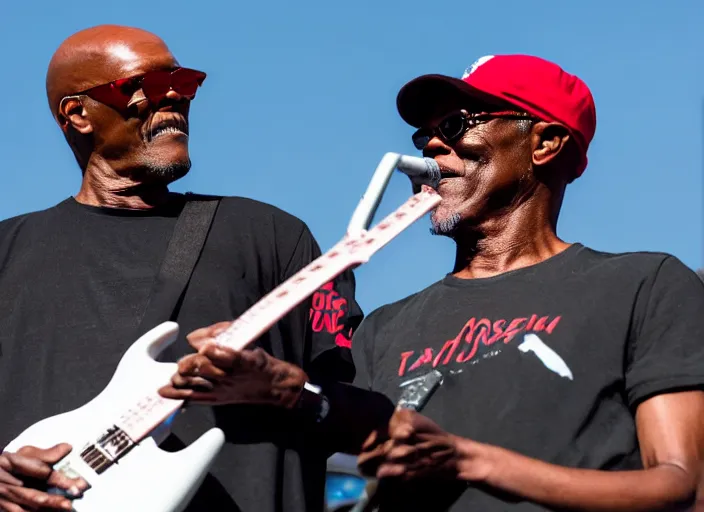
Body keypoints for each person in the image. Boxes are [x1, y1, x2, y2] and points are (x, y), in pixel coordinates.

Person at [161, 55, 704, 511]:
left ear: (545, 143)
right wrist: (279, 387)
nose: (431, 150)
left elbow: (682, 486)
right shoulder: (386, 327)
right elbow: (365, 444)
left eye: (456, 125)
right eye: (425, 135)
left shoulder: (643, 284)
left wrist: (471, 459)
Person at [0, 25, 363, 512]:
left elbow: (363, 412)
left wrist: (287, 388)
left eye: (183, 81)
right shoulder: (7, 251)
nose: (173, 96)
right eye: (142, 86)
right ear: (78, 113)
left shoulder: (274, 237)